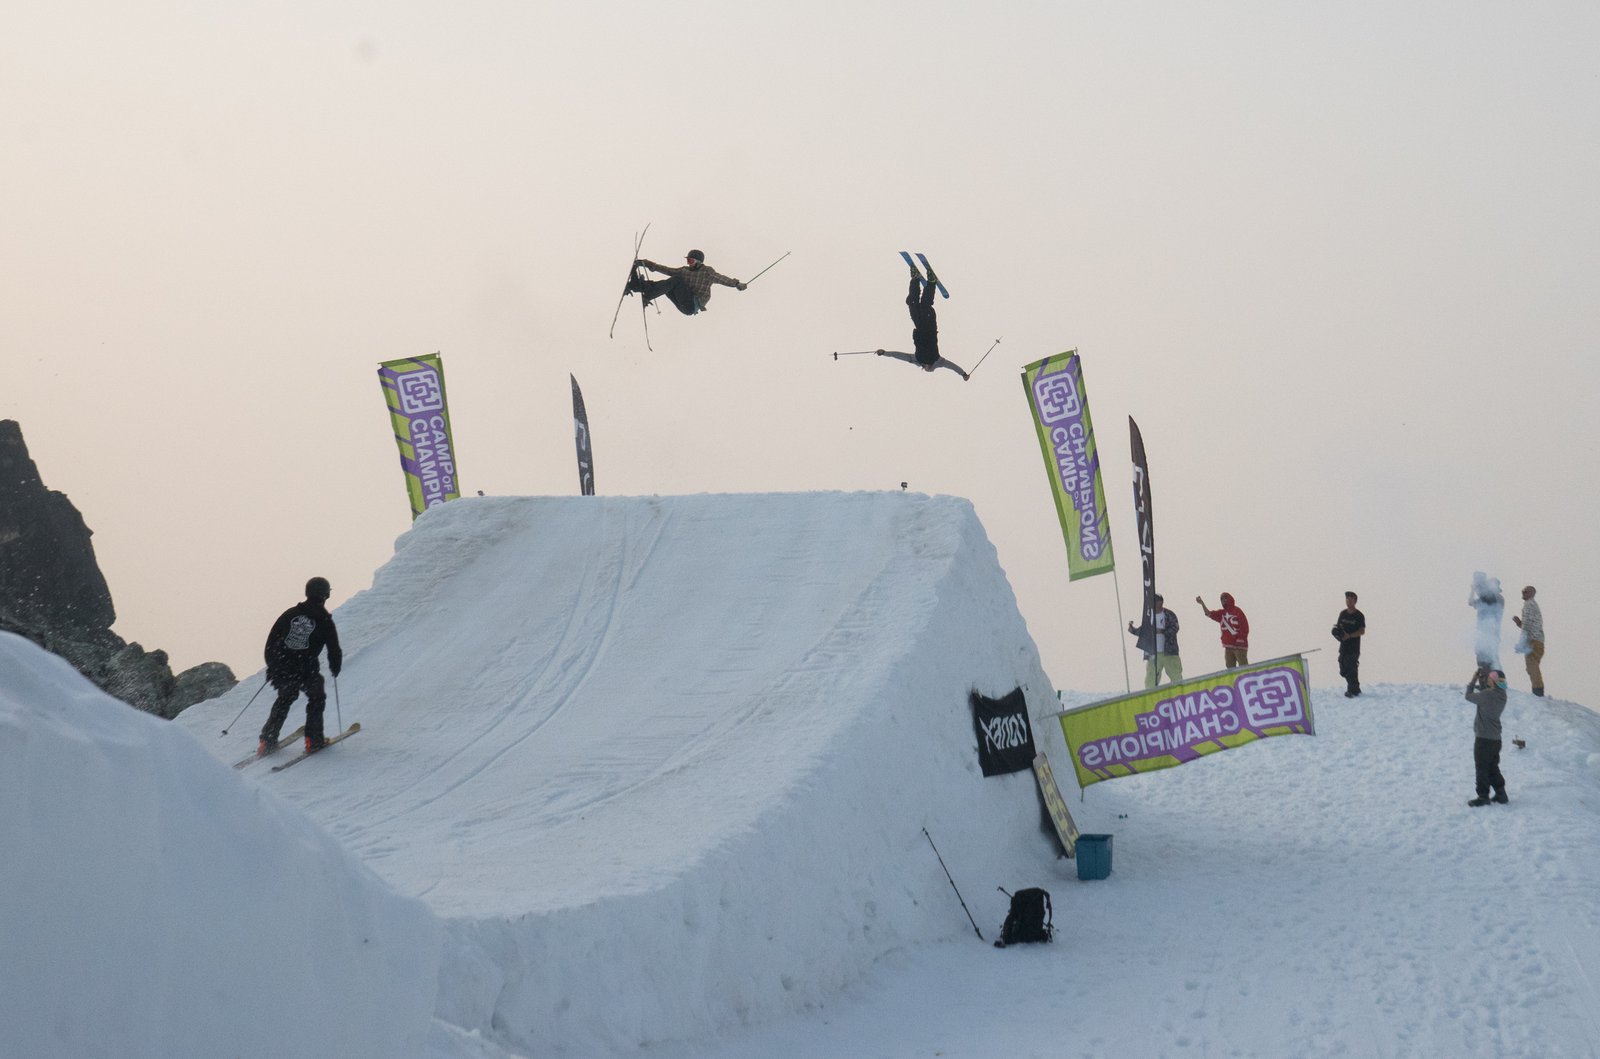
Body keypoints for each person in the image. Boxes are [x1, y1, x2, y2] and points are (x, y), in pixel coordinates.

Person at [259, 577, 343, 756]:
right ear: (326, 595)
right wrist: (335, 668)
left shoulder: (289, 614)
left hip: (283, 667)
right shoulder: (324, 620)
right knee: (316, 697)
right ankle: (313, 740)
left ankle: (267, 740)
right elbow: (334, 649)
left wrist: (273, 666)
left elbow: (272, 641)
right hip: (307, 670)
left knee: (285, 698)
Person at [874, 263, 969, 379]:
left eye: (924, 368)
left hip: (919, 326)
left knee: (912, 303)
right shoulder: (938, 361)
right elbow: (952, 366)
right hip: (930, 327)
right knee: (925, 305)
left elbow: (900, 356)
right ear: (931, 368)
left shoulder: (916, 360)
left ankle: (915, 279)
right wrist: (963, 373)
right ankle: (931, 282)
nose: (925, 368)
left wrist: (885, 353)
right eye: (928, 368)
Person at [627, 249, 746, 316]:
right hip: (683, 303)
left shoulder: (707, 272)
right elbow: (667, 270)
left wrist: (735, 284)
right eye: (688, 261)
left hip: (691, 306)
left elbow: (721, 278)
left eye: (691, 261)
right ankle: (637, 286)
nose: (689, 264)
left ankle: (648, 295)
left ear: (699, 262)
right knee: (666, 284)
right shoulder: (685, 271)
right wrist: (646, 264)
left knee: (676, 280)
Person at [1463, 664, 1508, 806]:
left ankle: (1483, 796)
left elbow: (1469, 696)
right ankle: (1501, 794)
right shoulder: (1502, 696)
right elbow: (1487, 693)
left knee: (1481, 767)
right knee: (1493, 766)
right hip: (1496, 739)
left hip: (1483, 739)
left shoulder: (1487, 695)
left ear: (1493, 681)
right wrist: (1483, 683)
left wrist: (1473, 680)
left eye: (1489, 679)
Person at [1128, 593, 1182, 688]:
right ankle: (1150, 696)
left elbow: (1175, 628)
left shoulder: (1169, 614)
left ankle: (1180, 695)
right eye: (1157, 603)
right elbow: (1144, 631)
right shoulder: (1149, 616)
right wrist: (1132, 630)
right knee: (1151, 678)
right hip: (1153, 652)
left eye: (1160, 603)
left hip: (1169, 651)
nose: (1159, 605)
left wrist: (1161, 631)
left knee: (1175, 675)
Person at [1196, 592, 1249, 668]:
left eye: (1225, 598)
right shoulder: (1222, 613)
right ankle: (1233, 680)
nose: (1223, 600)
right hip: (1228, 646)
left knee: (1243, 667)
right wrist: (1202, 604)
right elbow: (1209, 613)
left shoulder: (1237, 611)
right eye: (1221, 599)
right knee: (1230, 669)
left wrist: (1240, 639)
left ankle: (1247, 679)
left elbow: (1244, 626)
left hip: (1239, 646)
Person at [1512, 585, 1545, 697]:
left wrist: (1521, 643)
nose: (1523, 592)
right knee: (1532, 667)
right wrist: (1519, 623)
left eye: (1526, 591)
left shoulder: (1529, 605)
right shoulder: (1532, 605)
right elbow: (1529, 624)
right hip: (1537, 641)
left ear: (1532, 593)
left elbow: (1526, 627)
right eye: (1523, 591)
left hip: (1533, 641)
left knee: (1532, 667)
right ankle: (1538, 692)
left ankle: (1538, 693)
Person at [1332, 590, 1365, 698]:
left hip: (1354, 647)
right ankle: (1355, 687)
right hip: (1343, 646)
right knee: (1343, 668)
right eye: (1347, 599)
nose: (1348, 601)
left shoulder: (1359, 615)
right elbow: (1338, 627)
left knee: (1351, 667)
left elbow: (1362, 631)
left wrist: (1350, 635)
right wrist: (1338, 633)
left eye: (1351, 599)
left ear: (1355, 601)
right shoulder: (1343, 613)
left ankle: (1353, 690)